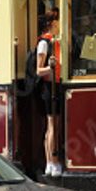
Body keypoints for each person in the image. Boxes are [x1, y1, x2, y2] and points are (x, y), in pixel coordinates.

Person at [36, 9, 62, 176]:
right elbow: (39, 70)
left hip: (56, 85)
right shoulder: (45, 43)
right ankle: (53, 161)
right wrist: (50, 67)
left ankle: (49, 163)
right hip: (49, 87)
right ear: (53, 23)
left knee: (53, 126)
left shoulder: (56, 41)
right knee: (52, 125)